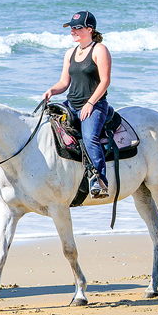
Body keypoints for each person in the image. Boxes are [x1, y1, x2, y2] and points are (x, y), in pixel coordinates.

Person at [42, 10, 113, 198]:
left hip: (94, 105)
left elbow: (105, 81)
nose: (73, 31)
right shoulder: (70, 53)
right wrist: (52, 91)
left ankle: (99, 180)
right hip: (71, 103)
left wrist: (90, 103)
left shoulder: (99, 50)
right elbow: (64, 83)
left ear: (90, 29)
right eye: (71, 28)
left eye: (77, 28)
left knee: (90, 138)